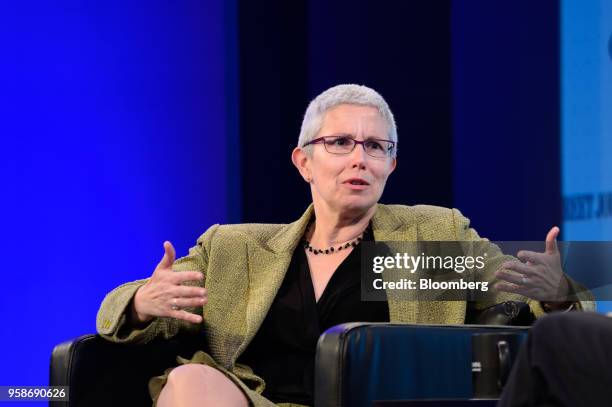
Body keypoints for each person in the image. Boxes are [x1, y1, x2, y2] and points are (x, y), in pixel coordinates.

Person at [96, 84, 594, 407]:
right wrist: (141, 303)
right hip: (258, 403)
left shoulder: (427, 240)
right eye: (340, 143)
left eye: (376, 147)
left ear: (390, 167)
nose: (360, 158)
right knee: (188, 384)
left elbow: (521, 294)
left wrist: (556, 293)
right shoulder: (236, 247)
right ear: (303, 162)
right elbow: (139, 311)